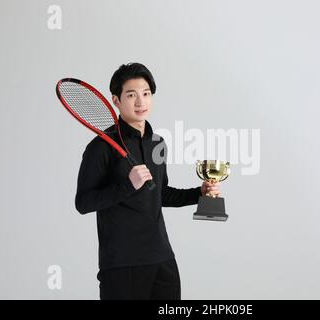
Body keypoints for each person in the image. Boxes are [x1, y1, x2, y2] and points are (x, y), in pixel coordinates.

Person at [74, 62, 221, 300]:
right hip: (121, 264)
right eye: (131, 95)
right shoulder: (101, 147)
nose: (140, 102)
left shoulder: (157, 143)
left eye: (146, 94)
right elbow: (83, 202)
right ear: (116, 100)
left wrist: (200, 193)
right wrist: (127, 186)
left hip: (162, 258)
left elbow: (160, 194)